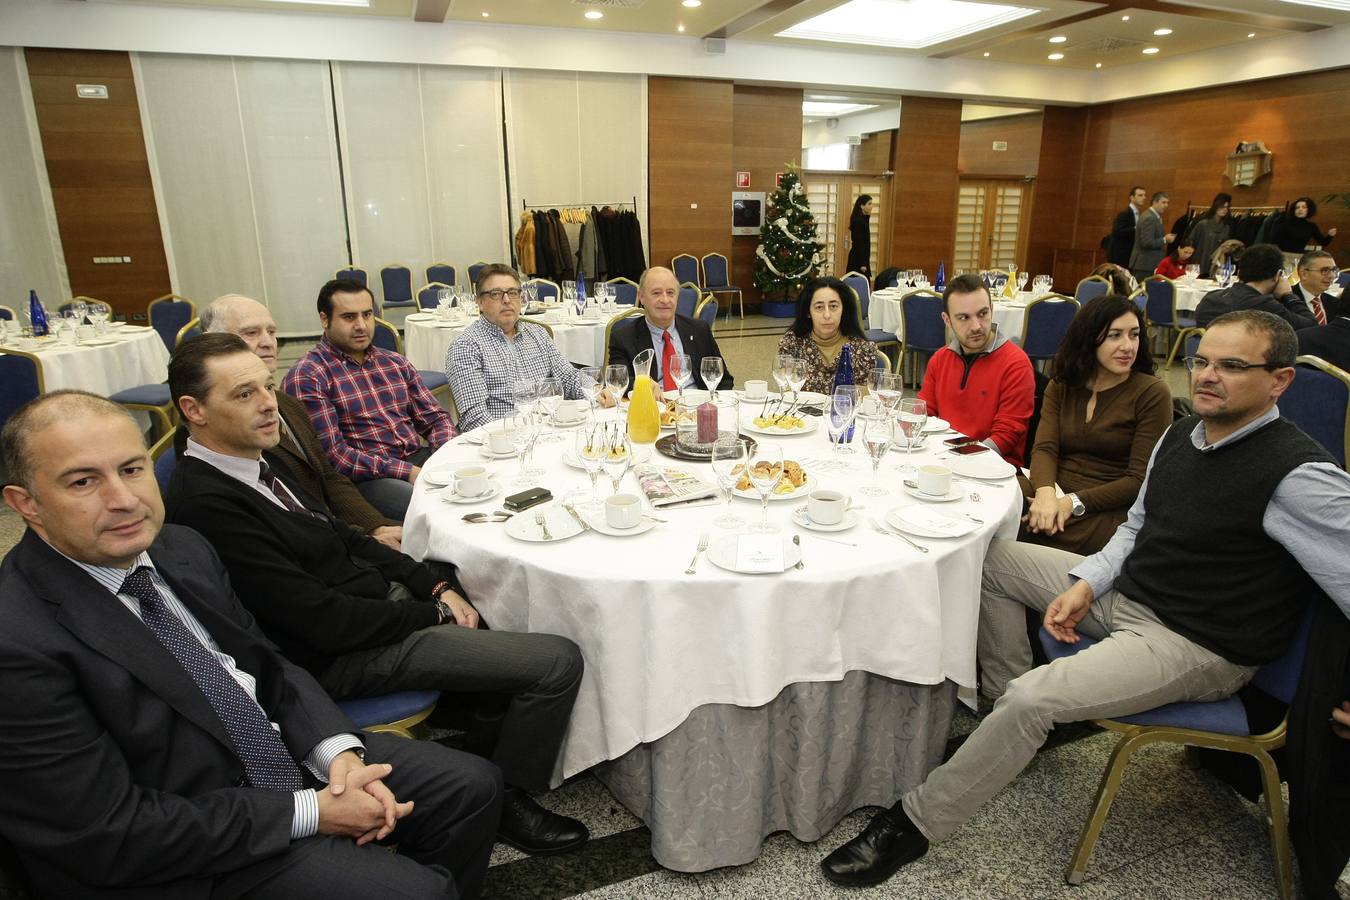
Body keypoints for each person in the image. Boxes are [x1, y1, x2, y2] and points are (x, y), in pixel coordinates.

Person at [821, 310, 1350, 889]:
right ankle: (1004, 718)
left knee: (1034, 698)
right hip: (1130, 595)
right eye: (1201, 361)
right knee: (990, 562)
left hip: (1196, 642)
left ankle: (912, 824)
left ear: (1280, 381)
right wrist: (1086, 584)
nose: (1207, 376)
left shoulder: (1297, 475)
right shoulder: (1182, 435)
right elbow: (1135, 528)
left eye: (1231, 366)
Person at [0, 391, 503, 899]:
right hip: (185, 843)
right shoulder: (17, 642)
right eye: (83, 481)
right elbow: (105, 832)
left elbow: (267, 663)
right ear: (26, 504)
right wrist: (311, 813)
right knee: (419, 893)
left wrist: (337, 755)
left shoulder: (180, 547)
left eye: (132, 469)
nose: (124, 499)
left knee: (471, 788)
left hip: (279, 754)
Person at [165, 334, 590, 857]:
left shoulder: (249, 462)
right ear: (194, 410)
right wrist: (431, 609)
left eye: (267, 387)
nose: (269, 402)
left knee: (477, 567)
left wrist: (430, 582)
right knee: (557, 662)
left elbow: (337, 533)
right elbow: (322, 623)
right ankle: (507, 796)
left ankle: (480, 716)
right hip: (340, 653)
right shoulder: (209, 503)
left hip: (365, 605)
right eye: (244, 394)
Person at [198, 294, 403, 549]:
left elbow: (326, 475)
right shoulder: (218, 425)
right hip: (316, 545)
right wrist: (365, 541)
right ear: (212, 342)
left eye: (271, 332)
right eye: (251, 333)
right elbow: (285, 515)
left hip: (337, 529)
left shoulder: (286, 403)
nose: (267, 343)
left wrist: (375, 526)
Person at [283, 280, 455, 520]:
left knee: (490, 483)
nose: (361, 325)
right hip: (368, 477)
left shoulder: (393, 362)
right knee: (440, 509)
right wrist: (410, 472)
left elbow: (435, 419)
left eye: (367, 315)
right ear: (325, 320)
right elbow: (335, 456)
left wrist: (446, 454)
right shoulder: (309, 375)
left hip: (417, 459)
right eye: (349, 317)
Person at [1018, 294, 1171, 561]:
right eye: (1115, 336)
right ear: (1089, 339)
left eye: (1134, 335)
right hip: (1054, 489)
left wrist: (1071, 503)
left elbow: (1138, 479)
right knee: (997, 501)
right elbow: (1044, 448)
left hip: (1108, 504)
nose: (1128, 346)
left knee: (1038, 531)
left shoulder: (1152, 393)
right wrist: (1045, 495)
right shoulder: (1063, 385)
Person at [446, 263, 613, 432]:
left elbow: (568, 377)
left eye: (512, 293)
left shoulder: (537, 334)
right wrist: (521, 436)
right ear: (480, 302)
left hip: (550, 430)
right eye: (496, 294)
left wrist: (595, 391)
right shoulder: (466, 346)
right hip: (504, 441)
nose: (506, 300)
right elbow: (475, 419)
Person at [916, 273, 1035, 467]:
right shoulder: (940, 359)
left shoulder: (1016, 364)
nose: (976, 326)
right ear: (947, 320)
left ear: (992, 310)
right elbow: (924, 414)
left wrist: (958, 458)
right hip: (944, 459)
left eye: (983, 314)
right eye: (963, 317)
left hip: (994, 467)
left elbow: (1006, 436)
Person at [607, 265, 735, 394]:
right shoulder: (623, 338)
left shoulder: (699, 330)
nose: (665, 300)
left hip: (698, 406)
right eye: (656, 293)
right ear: (641, 297)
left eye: (670, 293)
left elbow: (724, 380)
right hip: (654, 408)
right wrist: (641, 384)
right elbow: (618, 383)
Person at [775, 276, 877, 394]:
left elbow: (866, 400)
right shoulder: (793, 344)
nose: (827, 315)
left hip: (845, 412)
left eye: (833, 306)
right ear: (808, 312)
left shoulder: (863, 350)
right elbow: (786, 391)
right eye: (819, 307)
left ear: (843, 310)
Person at [1195, 243, 1317, 330]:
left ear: (1239, 272)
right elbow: (1311, 325)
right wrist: (1288, 295)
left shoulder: (1210, 298)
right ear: (1277, 275)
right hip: (1245, 364)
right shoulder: (1264, 306)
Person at [1181, 192, 1232, 277]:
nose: (1225, 209)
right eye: (1222, 206)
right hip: (1200, 265)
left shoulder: (1226, 228)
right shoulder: (1203, 224)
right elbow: (1191, 243)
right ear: (1216, 206)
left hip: (1216, 266)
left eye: (1227, 207)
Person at [1129, 191, 1176, 281]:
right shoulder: (1149, 217)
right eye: (1163, 202)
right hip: (1145, 264)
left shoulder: (1155, 216)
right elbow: (1146, 242)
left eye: (1167, 203)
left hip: (1147, 263)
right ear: (1154, 202)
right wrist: (1165, 240)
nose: (1166, 205)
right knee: (1142, 292)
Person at [1290, 249, 1345, 325]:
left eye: (1334, 270)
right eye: (1325, 270)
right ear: (1304, 274)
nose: (1332, 276)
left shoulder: (1334, 303)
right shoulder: (1286, 300)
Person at [1273, 196, 1337, 256]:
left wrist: (1330, 235)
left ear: (1309, 210)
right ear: (1293, 210)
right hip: (1282, 257)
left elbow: (1323, 242)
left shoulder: (1311, 226)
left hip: (1299, 258)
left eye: (1304, 207)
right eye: (1297, 207)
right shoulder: (1285, 222)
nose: (1300, 209)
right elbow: (1274, 241)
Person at [1107, 186, 1147, 269]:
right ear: (1132, 197)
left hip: (1131, 256)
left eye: (1144, 195)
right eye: (1140, 195)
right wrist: (1136, 228)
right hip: (1121, 256)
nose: (1144, 198)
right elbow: (1117, 231)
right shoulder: (1124, 213)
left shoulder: (1139, 214)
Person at [845, 194, 874, 276]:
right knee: (859, 285)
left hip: (862, 258)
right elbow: (859, 243)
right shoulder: (858, 221)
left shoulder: (863, 218)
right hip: (858, 259)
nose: (872, 206)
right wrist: (862, 263)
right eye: (869, 204)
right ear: (862, 206)